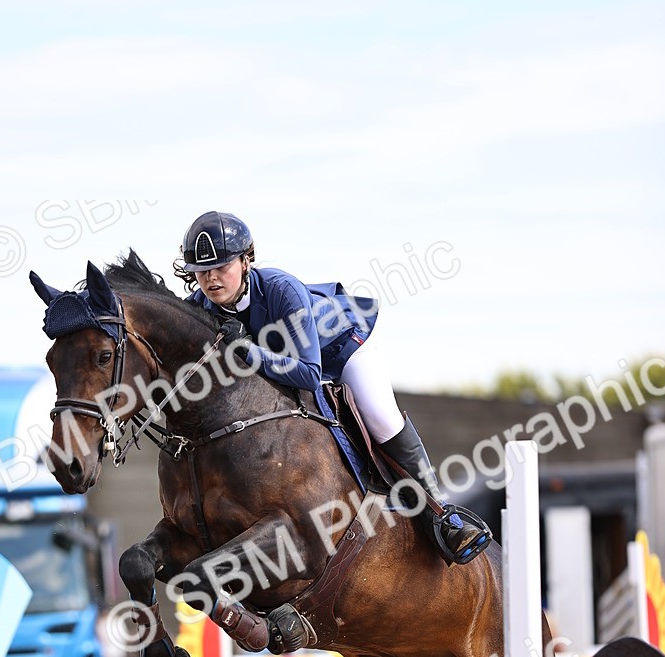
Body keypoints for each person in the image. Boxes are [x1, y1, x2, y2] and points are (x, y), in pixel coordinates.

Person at [173, 210, 491, 565]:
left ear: (246, 260)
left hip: (341, 350)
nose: (212, 278)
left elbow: (310, 374)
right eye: (202, 271)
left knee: (379, 416)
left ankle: (441, 515)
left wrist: (248, 350)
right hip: (288, 364)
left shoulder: (281, 289)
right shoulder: (198, 308)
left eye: (222, 266)